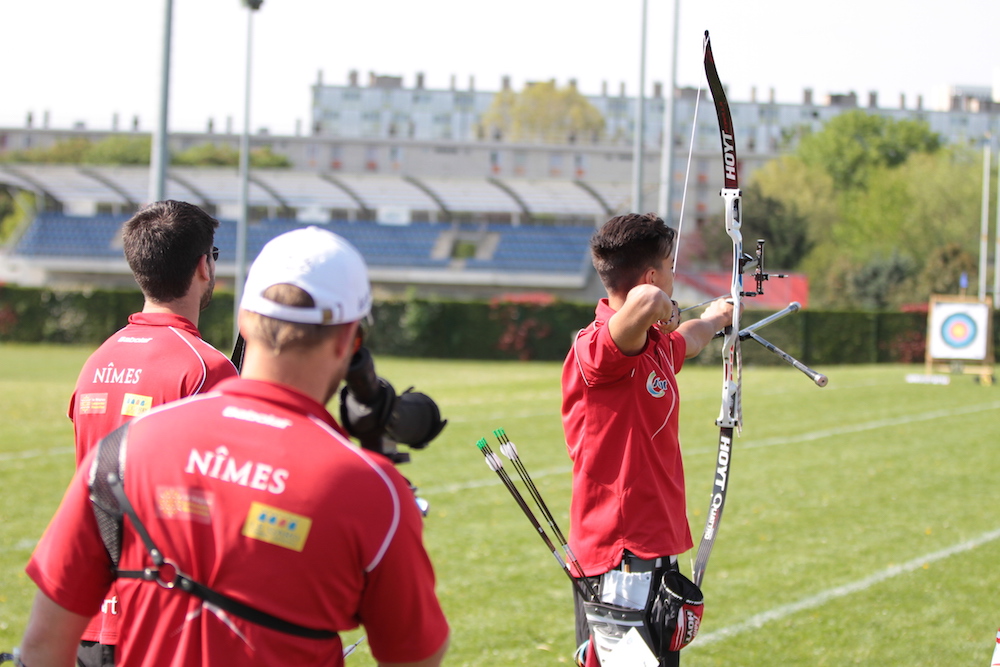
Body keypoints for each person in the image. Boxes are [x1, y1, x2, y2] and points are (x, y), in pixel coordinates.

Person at [20, 226, 449, 666]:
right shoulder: (374, 492)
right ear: (349, 341)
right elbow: (415, 657)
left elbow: (42, 647)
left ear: (244, 320)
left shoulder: (121, 452)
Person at [67, 199, 238, 666]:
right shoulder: (207, 368)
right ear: (204, 265)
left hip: (87, 615)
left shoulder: (98, 360)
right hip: (163, 620)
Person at [561, 212, 734, 667]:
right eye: (671, 265)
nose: (675, 277)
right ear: (653, 275)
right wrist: (665, 305)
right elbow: (647, 301)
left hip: (651, 550)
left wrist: (717, 317)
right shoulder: (597, 348)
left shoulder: (651, 345)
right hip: (619, 557)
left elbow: (688, 340)